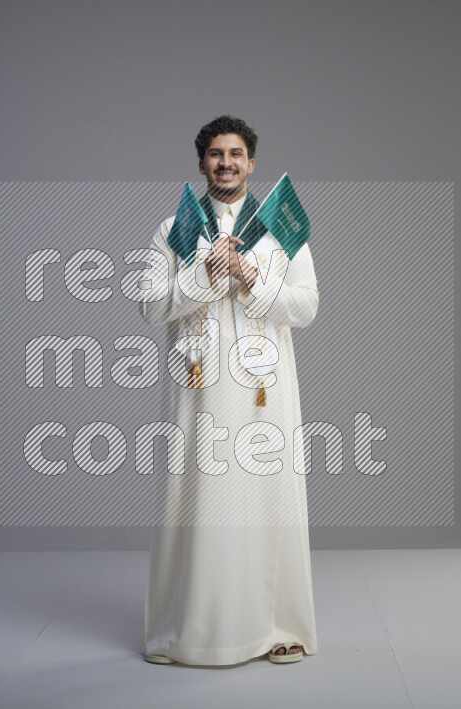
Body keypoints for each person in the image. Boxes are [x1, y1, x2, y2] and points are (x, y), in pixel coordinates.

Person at [139, 115, 320, 666]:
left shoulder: (279, 229)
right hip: (199, 391)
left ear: (251, 162)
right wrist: (205, 276)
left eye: (236, 153)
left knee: (268, 499)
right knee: (195, 500)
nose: (226, 163)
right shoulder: (175, 228)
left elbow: (307, 306)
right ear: (201, 164)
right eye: (215, 154)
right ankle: (180, 630)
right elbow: (148, 305)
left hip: (264, 389)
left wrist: (249, 276)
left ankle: (279, 626)